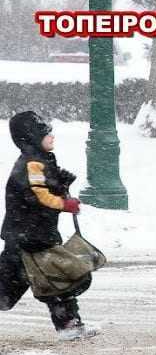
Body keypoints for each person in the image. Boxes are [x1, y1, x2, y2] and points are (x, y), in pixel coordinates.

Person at [0, 111, 98, 341]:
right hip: (28, 238)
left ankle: (70, 324)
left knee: (45, 280)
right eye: (46, 133)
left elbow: (41, 191)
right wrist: (65, 203)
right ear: (32, 137)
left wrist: (60, 184)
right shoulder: (33, 164)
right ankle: (69, 325)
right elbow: (38, 196)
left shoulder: (39, 160)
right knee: (54, 280)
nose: (52, 136)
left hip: (31, 235)